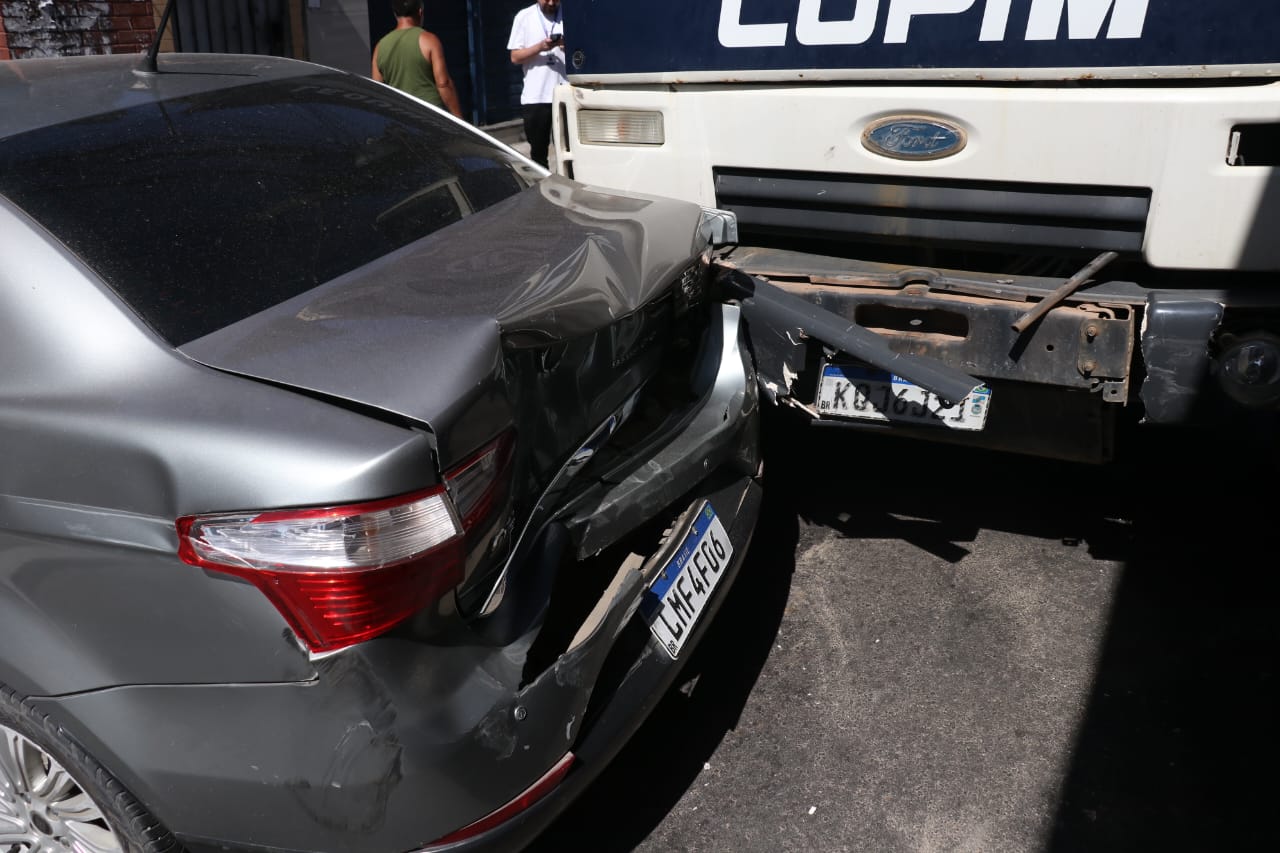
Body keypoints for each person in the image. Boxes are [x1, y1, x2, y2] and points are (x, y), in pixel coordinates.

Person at [372, 0, 463, 119]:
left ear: (395, 14)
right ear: (420, 12)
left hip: (400, 119)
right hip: (430, 117)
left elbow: (378, 90)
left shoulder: (380, 47)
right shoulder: (429, 41)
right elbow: (443, 84)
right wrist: (459, 119)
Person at [507, 0, 565, 169]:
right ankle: (542, 192)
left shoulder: (568, 15)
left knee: (569, 152)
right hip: (536, 97)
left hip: (565, 93)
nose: (552, 3)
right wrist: (541, 46)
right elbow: (515, 57)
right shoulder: (524, 17)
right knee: (539, 155)